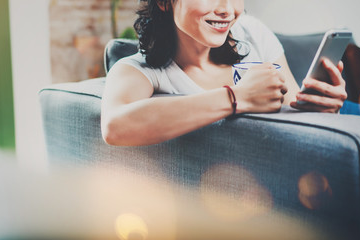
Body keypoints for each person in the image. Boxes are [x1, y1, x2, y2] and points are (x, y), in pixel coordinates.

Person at [101, 0, 347, 146]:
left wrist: (321, 106)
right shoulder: (140, 70)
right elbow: (114, 126)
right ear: (164, 2)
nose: (227, 10)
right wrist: (236, 97)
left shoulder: (251, 31)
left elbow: (294, 105)